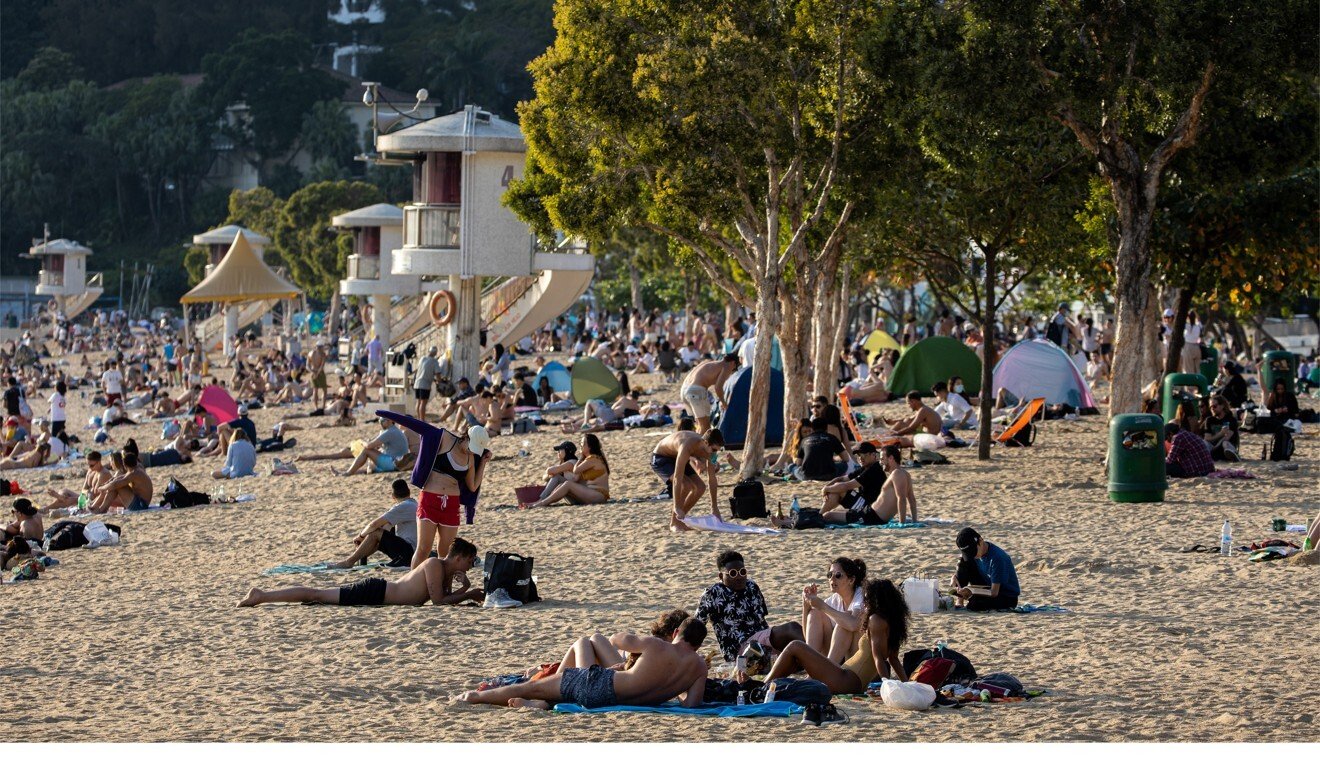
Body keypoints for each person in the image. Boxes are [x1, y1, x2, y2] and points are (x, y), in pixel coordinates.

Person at [455, 617, 709, 710]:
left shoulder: (658, 645)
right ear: (698, 644)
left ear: (676, 632)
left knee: (530, 687)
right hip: (619, 701)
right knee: (551, 691)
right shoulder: (700, 667)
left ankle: (475, 697)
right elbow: (691, 705)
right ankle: (541, 704)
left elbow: (615, 639)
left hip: (601, 686)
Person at [379, 411, 492, 569]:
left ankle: (442, 588)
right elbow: (418, 426)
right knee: (423, 549)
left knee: (445, 553)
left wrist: (483, 463)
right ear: (466, 437)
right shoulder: (445, 438)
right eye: (471, 447)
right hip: (430, 500)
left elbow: (472, 486)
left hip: (451, 505)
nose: (471, 451)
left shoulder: (471, 458)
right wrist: (389, 415)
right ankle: (411, 585)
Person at [762, 578, 909, 694]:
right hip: (849, 679)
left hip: (847, 680)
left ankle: (763, 686)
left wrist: (886, 685)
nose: (865, 604)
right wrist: (907, 685)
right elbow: (894, 659)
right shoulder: (892, 624)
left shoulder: (875, 620)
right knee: (796, 654)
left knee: (795, 646)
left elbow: (878, 658)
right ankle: (767, 686)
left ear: (876, 600)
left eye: (867, 599)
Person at [238, 539, 484, 608]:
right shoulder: (433, 565)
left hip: (380, 597)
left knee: (318, 597)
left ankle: (264, 595)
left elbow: (443, 599)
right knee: (317, 594)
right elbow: (439, 601)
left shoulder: (445, 572)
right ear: (459, 558)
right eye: (470, 562)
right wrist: (468, 592)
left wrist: (464, 590)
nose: (470, 566)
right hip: (376, 591)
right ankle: (262, 595)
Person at [695, 550, 804, 662]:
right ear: (721, 576)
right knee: (792, 628)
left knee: (797, 651)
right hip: (741, 652)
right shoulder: (712, 594)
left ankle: (816, 657)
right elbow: (695, 628)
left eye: (742, 572)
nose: (739, 577)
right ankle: (821, 658)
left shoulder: (751, 587)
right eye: (732, 573)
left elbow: (762, 621)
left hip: (762, 644)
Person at [329, 479, 419, 569]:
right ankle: (359, 558)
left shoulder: (403, 506)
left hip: (409, 553)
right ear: (409, 492)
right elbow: (385, 528)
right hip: (412, 552)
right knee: (382, 531)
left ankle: (349, 562)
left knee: (376, 532)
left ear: (393, 496)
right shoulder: (413, 503)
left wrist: (360, 537)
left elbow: (374, 524)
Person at [650, 429, 724, 531]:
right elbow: (677, 479)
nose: (715, 453)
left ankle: (679, 520)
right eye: (714, 450)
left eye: (718, 450)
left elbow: (712, 479)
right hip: (661, 457)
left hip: (677, 456)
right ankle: (674, 523)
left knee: (700, 487)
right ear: (706, 443)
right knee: (686, 485)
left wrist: (714, 508)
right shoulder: (688, 445)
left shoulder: (711, 452)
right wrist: (676, 506)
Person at [802, 556, 867, 663]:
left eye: (838, 575)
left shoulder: (860, 594)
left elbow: (853, 624)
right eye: (829, 575)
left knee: (845, 622)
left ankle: (827, 670)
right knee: (815, 613)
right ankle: (812, 666)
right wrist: (806, 605)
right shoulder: (834, 600)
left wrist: (822, 606)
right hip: (837, 655)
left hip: (856, 657)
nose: (832, 579)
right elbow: (808, 638)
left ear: (851, 580)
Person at [527, 433, 610, 506]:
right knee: (561, 484)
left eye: (583, 444)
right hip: (589, 494)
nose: (580, 446)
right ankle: (543, 501)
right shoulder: (588, 459)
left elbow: (575, 470)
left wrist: (581, 457)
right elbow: (576, 478)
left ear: (590, 447)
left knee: (567, 484)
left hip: (599, 495)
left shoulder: (593, 459)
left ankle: (542, 503)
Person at [816, 442, 887, 525]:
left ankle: (818, 517)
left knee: (828, 515)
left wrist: (826, 489)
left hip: (870, 510)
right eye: (858, 455)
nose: (860, 458)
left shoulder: (874, 469)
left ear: (873, 455)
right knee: (836, 490)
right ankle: (818, 516)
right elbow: (841, 479)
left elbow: (846, 486)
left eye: (863, 455)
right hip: (865, 505)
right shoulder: (866, 468)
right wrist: (827, 486)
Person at [951, 528, 1020, 611]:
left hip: (1005, 596)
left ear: (980, 541)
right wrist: (955, 576)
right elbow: (963, 562)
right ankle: (960, 600)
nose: (972, 555)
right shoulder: (975, 554)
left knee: (975, 604)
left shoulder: (997, 558)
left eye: (973, 551)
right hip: (987, 585)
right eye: (968, 553)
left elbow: (994, 592)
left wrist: (972, 592)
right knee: (963, 562)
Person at [680, 354, 739, 433]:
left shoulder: (710, 363)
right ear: (733, 363)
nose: (732, 371)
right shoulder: (727, 366)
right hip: (696, 391)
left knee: (700, 424)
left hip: (684, 390)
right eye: (734, 369)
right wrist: (724, 403)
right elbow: (718, 387)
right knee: (706, 427)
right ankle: (699, 444)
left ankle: (697, 442)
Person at [335, 417, 410, 476]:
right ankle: (346, 472)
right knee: (369, 467)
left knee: (366, 451)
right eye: (380, 420)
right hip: (398, 463)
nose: (380, 423)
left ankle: (348, 473)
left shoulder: (390, 432)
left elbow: (369, 445)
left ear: (390, 421)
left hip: (393, 463)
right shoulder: (394, 430)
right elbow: (377, 444)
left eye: (382, 420)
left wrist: (362, 442)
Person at [45, 451, 111, 509]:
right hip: (88, 498)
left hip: (96, 501)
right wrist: (82, 497)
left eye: (91, 465)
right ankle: (62, 498)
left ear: (99, 462)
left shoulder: (103, 473)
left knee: (69, 500)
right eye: (88, 465)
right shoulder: (91, 471)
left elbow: (97, 493)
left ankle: (47, 508)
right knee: (64, 490)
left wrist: (83, 498)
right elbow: (84, 488)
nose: (89, 467)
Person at [1202, 396, 1240, 462]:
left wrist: (1215, 447)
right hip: (1213, 447)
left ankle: (1233, 456)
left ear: (1222, 406)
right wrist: (1221, 434)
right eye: (1210, 407)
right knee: (1204, 442)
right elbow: (1207, 438)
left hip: (1226, 447)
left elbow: (1226, 437)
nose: (1212, 409)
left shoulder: (1231, 420)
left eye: (1214, 406)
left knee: (1225, 443)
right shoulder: (1209, 420)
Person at [413, 346, 442, 419]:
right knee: (423, 403)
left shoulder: (422, 359)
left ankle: (419, 419)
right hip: (425, 384)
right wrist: (440, 382)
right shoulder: (434, 361)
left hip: (417, 383)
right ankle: (422, 420)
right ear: (435, 353)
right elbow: (437, 373)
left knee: (418, 402)